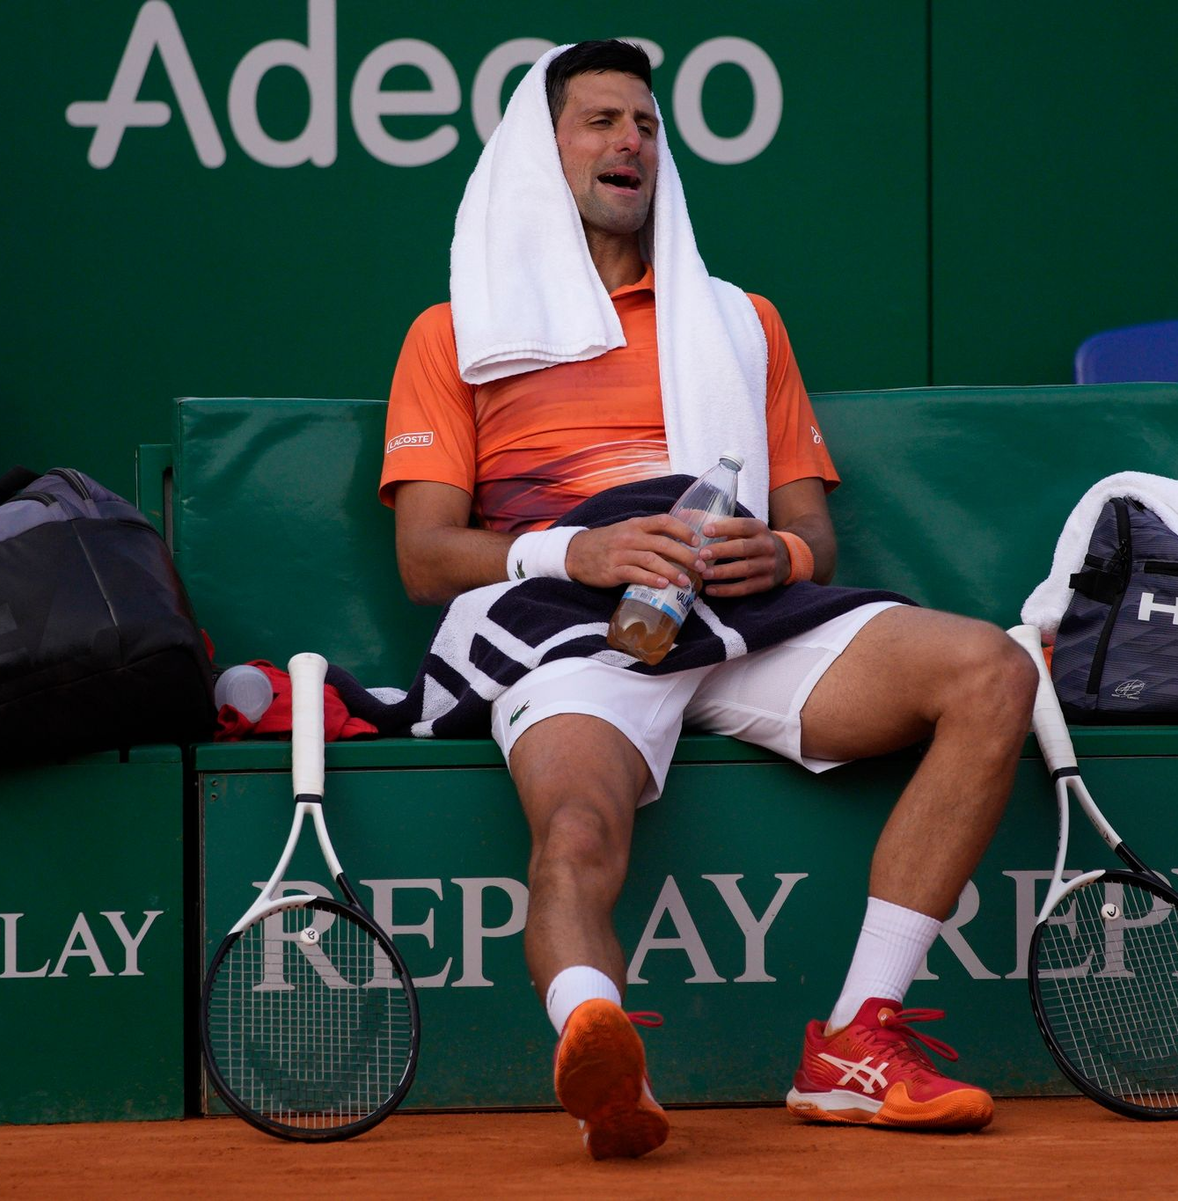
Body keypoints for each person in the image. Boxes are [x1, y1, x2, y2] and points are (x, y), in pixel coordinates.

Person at [380, 39, 1036, 1159]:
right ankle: (593, 1032)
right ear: (541, 155)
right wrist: (573, 554)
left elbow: (814, 535)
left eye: (645, 122)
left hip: (737, 617)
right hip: (570, 625)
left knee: (993, 668)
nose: (631, 139)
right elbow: (428, 555)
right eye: (600, 121)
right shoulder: (453, 333)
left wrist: (776, 555)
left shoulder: (741, 320)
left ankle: (856, 1044)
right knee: (576, 827)